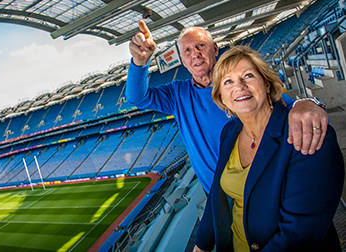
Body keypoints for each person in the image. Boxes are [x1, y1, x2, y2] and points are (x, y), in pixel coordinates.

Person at [126, 20, 328, 193]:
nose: (195, 54)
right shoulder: (176, 94)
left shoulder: (238, 85)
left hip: (262, 186)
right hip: (216, 195)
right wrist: (140, 61)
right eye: (187, 50)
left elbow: (284, 103)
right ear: (182, 61)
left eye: (200, 46)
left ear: (215, 49)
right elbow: (136, 97)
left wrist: (308, 103)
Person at [193, 45, 344, 251]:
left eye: (248, 76)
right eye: (228, 82)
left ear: (266, 84)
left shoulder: (306, 133)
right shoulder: (230, 132)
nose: (239, 86)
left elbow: (298, 235)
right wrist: (201, 245)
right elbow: (217, 196)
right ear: (221, 98)